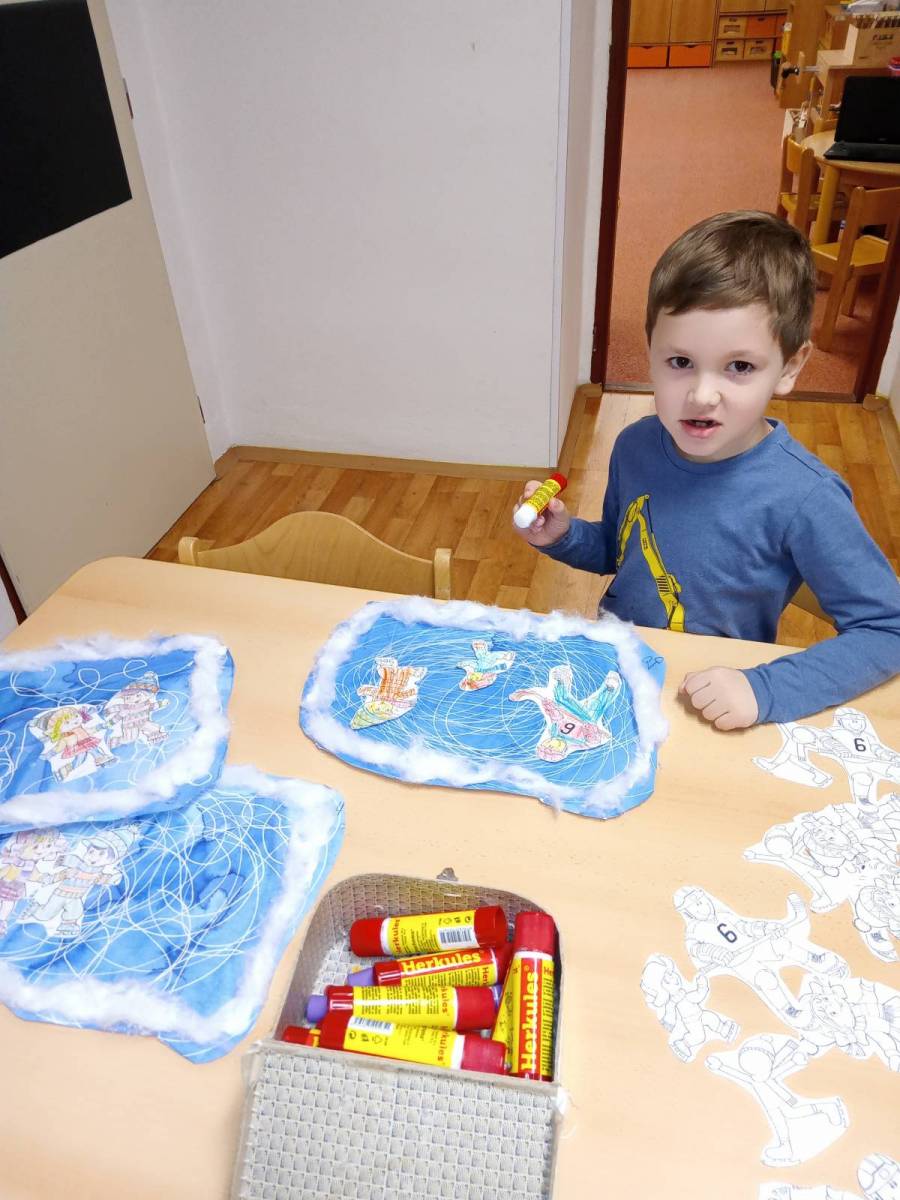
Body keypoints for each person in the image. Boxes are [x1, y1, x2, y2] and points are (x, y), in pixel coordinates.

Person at [514, 211, 900, 731]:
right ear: (650, 351)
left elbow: (888, 628)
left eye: (739, 367)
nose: (701, 395)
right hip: (616, 678)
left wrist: (764, 689)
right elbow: (620, 552)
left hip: (712, 708)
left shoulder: (806, 497)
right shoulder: (634, 446)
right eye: (680, 362)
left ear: (789, 367)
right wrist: (564, 537)